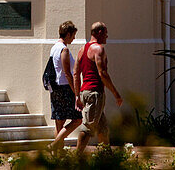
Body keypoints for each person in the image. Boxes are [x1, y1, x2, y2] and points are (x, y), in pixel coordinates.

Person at [73, 20, 123, 151]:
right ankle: (76, 160)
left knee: (102, 128)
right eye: (106, 33)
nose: (107, 36)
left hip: (85, 92)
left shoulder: (82, 50)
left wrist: (77, 96)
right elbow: (103, 74)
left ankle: (107, 157)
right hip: (95, 93)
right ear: (99, 32)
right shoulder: (99, 49)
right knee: (88, 128)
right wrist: (116, 93)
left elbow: (76, 74)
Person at [48, 20, 82, 149]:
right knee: (77, 119)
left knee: (60, 121)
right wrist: (75, 92)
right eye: (73, 35)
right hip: (64, 87)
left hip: (55, 88)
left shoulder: (54, 47)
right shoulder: (64, 50)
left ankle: (58, 152)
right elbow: (67, 73)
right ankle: (54, 145)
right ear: (68, 34)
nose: (73, 38)